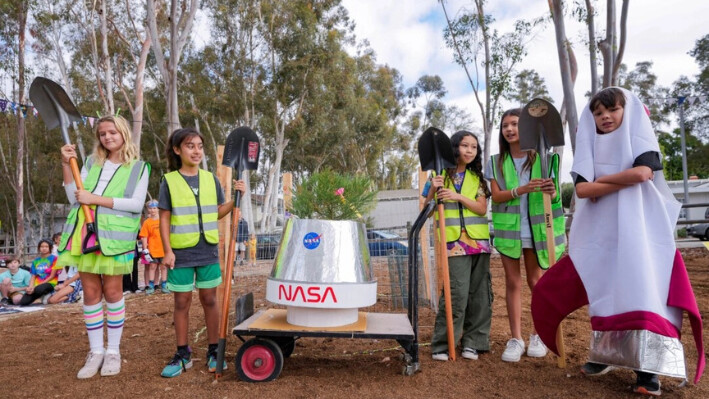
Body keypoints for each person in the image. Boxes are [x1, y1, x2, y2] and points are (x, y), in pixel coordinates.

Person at [531, 87, 704, 396]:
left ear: (628, 111)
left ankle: (647, 371)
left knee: (642, 291)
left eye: (612, 110)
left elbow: (642, 173)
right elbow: (583, 191)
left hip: (641, 231)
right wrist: (603, 183)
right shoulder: (592, 147)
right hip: (604, 234)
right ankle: (604, 355)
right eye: (598, 113)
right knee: (606, 291)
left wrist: (601, 182)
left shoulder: (639, 139)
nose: (605, 117)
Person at [58, 115, 150, 379]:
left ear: (123, 133)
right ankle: (96, 351)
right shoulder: (90, 162)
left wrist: (94, 198)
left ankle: (113, 351)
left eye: (112, 132)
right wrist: (67, 164)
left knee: (112, 292)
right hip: (85, 235)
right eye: (102, 134)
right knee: (90, 293)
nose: (107, 137)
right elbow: (73, 197)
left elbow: (135, 204)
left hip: (114, 239)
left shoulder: (139, 167)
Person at [158, 127, 246, 378]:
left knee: (210, 300)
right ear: (177, 150)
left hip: (207, 249)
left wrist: (236, 198)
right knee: (182, 302)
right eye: (189, 146)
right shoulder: (169, 181)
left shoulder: (210, 179)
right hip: (181, 252)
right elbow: (164, 219)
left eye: (199, 146)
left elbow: (217, 211)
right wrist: (167, 251)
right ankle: (183, 353)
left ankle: (214, 350)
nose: (196, 151)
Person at [485, 108, 565, 363]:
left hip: (535, 230)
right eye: (505, 125)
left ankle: (538, 335)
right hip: (510, 231)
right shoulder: (495, 162)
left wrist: (551, 191)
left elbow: (553, 196)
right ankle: (516, 338)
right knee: (512, 282)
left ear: (526, 128)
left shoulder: (544, 159)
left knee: (536, 281)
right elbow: (496, 196)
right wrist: (521, 189)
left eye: (515, 124)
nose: (509, 129)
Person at [426, 130, 492, 362]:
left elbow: (482, 208)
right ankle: (444, 344)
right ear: (454, 148)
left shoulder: (478, 180)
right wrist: (433, 188)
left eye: (474, 147)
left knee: (479, 295)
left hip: (479, 243)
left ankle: (473, 342)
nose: (470, 151)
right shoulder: (438, 176)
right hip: (454, 243)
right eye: (465, 146)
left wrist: (458, 197)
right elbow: (424, 205)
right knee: (456, 293)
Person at [140, 199, 168, 294]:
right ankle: (151, 285)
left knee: (163, 267)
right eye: (150, 208)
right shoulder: (147, 222)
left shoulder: (163, 220)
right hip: (153, 249)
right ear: (148, 209)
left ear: (158, 209)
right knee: (152, 267)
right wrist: (145, 249)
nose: (152, 210)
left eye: (154, 208)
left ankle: (164, 284)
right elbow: (144, 236)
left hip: (163, 249)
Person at [19, 239, 59, 306]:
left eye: (46, 246)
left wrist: (37, 286)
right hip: (37, 285)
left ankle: (49, 294)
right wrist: (31, 287)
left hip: (50, 283)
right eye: (42, 246)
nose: (44, 248)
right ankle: (41, 296)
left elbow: (52, 276)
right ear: (39, 248)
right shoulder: (36, 261)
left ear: (50, 248)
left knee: (39, 289)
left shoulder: (55, 259)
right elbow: (33, 276)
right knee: (23, 302)